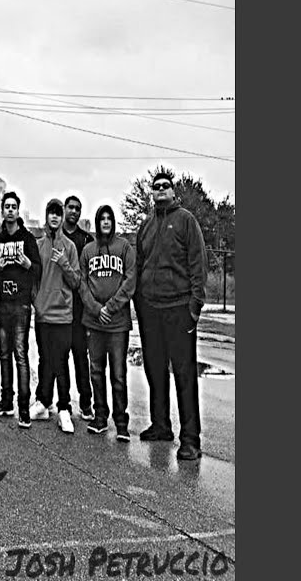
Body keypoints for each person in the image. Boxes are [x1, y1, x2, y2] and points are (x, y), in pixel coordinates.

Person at [134, 171, 208, 461]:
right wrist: (139, 302)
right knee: (155, 370)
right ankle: (161, 425)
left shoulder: (186, 220)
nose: (161, 189)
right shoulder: (146, 226)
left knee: (184, 374)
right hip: (151, 309)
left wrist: (195, 306)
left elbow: (198, 263)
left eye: (166, 186)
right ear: (152, 193)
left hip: (179, 308)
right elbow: (139, 266)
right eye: (156, 186)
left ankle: (190, 439)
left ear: (173, 191)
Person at [78, 204, 137, 441]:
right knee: (96, 371)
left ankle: (121, 422)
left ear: (113, 222)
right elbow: (82, 284)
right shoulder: (88, 250)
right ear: (97, 221)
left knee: (118, 374)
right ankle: (100, 417)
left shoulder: (124, 247)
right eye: (101, 218)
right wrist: (96, 309)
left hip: (117, 323)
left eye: (108, 218)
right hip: (94, 322)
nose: (105, 221)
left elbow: (130, 282)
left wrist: (110, 308)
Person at [0, 191, 41, 428]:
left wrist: (28, 264)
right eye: (7, 206)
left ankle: (23, 407)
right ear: (2, 211)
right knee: (3, 354)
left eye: (13, 207)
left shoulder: (28, 239)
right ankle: (6, 401)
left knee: (20, 354)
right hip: (3, 304)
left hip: (21, 304)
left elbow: (38, 269)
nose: (10, 210)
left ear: (18, 211)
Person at [31, 199, 83, 434]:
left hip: (63, 315)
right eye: (51, 213)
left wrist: (64, 263)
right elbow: (33, 279)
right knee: (44, 359)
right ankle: (43, 402)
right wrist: (37, 301)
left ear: (62, 218)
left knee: (61, 361)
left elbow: (76, 282)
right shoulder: (38, 245)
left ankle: (64, 408)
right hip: (43, 314)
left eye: (58, 213)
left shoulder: (69, 247)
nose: (54, 217)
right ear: (46, 216)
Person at [60, 196, 93, 419]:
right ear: (64, 209)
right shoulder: (55, 236)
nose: (73, 211)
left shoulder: (86, 240)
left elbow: (89, 277)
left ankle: (86, 402)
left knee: (81, 357)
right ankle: (63, 403)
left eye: (77, 209)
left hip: (80, 309)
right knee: (60, 357)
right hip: (60, 307)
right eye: (70, 207)